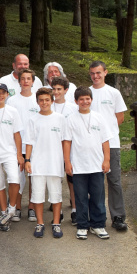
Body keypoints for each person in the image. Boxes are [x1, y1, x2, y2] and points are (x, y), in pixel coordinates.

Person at [63, 87, 112, 240]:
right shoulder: (71, 119)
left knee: (98, 196)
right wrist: (67, 162)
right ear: (76, 101)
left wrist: (107, 160)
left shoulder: (99, 117)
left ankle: (98, 224)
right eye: (81, 99)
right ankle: (83, 225)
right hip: (79, 166)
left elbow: (105, 141)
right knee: (81, 197)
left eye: (87, 99)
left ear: (91, 100)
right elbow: (67, 142)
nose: (85, 102)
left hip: (96, 164)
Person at [89, 60, 128, 231]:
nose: (95, 76)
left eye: (98, 73)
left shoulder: (113, 93)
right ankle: (97, 217)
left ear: (105, 72)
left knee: (114, 181)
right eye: (92, 73)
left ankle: (118, 216)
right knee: (95, 182)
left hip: (111, 143)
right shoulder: (86, 93)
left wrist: (107, 134)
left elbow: (119, 117)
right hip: (91, 145)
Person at [24, 88, 67, 238]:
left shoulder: (60, 118)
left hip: (55, 163)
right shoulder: (32, 119)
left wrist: (66, 161)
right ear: (37, 102)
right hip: (37, 163)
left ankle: (56, 223)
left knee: (56, 195)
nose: (44, 103)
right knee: (37, 195)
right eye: (41, 100)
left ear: (52, 101)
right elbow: (28, 142)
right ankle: (40, 223)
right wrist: (27, 160)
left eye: (47, 100)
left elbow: (65, 141)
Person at [0, 84, 24, 232]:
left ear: (7, 95)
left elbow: (17, 135)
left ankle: (11, 209)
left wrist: (19, 154)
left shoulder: (13, 111)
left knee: (14, 180)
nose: (0, 95)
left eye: (3, 93)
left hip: (9, 153)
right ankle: (3, 214)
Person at [6, 68, 39, 222]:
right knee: (18, 178)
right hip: (17, 146)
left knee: (33, 177)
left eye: (28, 78)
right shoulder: (12, 101)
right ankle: (17, 207)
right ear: (18, 81)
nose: (26, 81)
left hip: (34, 145)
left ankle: (31, 207)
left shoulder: (37, 100)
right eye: (23, 78)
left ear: (33, 81)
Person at [50, 76, 78, 219]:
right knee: (56, 179)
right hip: (53, 148)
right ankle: (58, 210)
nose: (56, 92)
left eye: (59, 89)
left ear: (66, 90)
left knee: (71, 178)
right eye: (54, 89)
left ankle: (74, 208)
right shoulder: (48, 106)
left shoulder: (73, 108)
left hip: (70, 147)